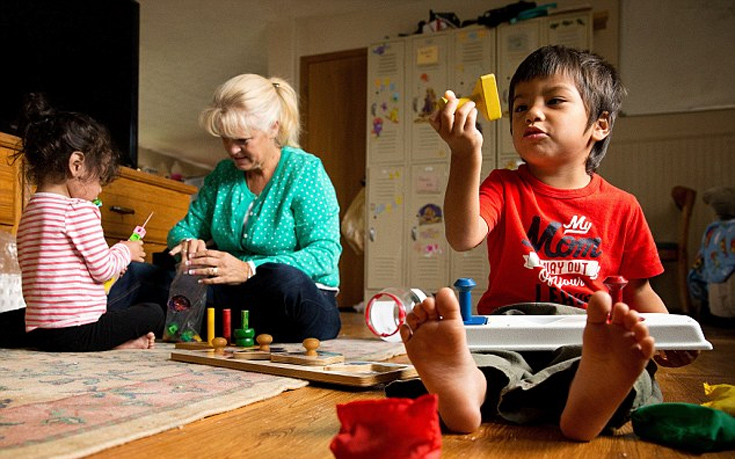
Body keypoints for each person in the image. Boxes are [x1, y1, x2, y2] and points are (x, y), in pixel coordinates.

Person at [395, 45, 698, 441]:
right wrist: (465, 154)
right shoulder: (503, 187)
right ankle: (465, 387)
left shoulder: (623, 207)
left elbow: (640, 288)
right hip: (508, 324)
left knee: (628, 371)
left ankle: (587, 402)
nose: (532, 113)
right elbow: (463, 235)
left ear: (600, 124)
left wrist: (671, 333)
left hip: (586, 332)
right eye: (520, 107)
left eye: (554, 100)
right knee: (486, 360)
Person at [166, 74, 342, 343]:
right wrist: (189, 243)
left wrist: (250, 268)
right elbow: (182, 229)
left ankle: (232, 327)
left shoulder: (305, 171)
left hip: (293, 298)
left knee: (284, 280)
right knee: (147, 275)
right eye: (225, 139)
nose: (232, 150)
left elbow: (324, 255)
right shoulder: (223, 175)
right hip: (231, 297)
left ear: (273, 128)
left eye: (243, 140)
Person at [12, 93, 164, 351]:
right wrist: (125, 251)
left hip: (39, 331)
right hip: (80, 331)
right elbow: (103, 270)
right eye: (100, 180)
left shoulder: (31, 211)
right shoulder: (79, 209)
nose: (99, 191)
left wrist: (113, 264)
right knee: (154, 312)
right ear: (76, 164)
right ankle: (116, 344)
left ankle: (115, 343)